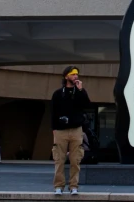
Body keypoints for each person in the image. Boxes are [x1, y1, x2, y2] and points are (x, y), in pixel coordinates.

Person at [51, 66, 91, 195]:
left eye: (77, 74)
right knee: (59, 159)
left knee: (75, 160)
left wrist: (81, 90)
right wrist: (53, 129)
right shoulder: (58, 94)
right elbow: (53, 112)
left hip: (76, 130)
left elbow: (86, 105)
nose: (76, 76)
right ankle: (58, 186)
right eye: (73, 74)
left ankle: (74, 186)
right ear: (66, 76)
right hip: (60, 131)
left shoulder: (79, 92)